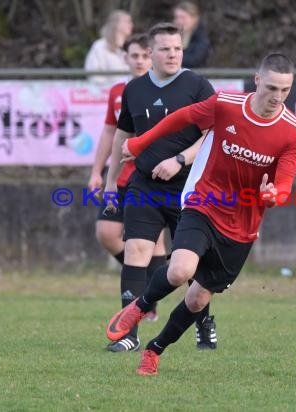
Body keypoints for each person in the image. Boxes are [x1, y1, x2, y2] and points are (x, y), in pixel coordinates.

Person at [106, 53, 296, 375]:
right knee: (179, 271)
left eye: (285, 90)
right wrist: (141, 142)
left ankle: (155, 350)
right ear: (257, 80)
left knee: (198, 299)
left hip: (242, 225)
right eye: (271, 87)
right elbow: (181, 117)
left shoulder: (293, 130)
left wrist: (274, 196)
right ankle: (139, 307)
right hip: (204, 202)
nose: (277, 97)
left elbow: (284, 182)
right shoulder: (226, 103)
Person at [103, 22, 218, 353]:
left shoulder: (197, 85)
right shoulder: (134, 89)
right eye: (165, 49)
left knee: (188, 264)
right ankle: (129, 333)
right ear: (150, 53)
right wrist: (112, 182)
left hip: (189, 186)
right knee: (136, 250)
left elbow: (212, 134)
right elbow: (123, 136)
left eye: (178, 48)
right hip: (144, 186)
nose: (173, 54)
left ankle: (204, 323)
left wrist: (180, 159)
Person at [88, 33, 167, 352]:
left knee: (150, 242)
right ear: (125, 58)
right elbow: (111, 132)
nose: (139, 61)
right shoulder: (119, 92)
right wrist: (98, 171)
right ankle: (144, 286)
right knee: (107, 233)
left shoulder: (162, 90)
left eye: (144, 56)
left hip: (151, 179)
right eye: (133, 56)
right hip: (119, 178)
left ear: (153, 58)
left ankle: (143, 305)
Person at [84, 10, 133, 85]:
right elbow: (93, 73)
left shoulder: (127, 49)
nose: (131, 25)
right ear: (116, 24)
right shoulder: (100, 46)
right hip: (106, 92)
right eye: (127, 21)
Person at [173, 1, 210, 68]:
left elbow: (195, 60)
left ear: (194, 19)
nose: (179, 21)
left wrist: (169, 59)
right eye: (177, 17)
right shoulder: (170, 37)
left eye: (183, 18)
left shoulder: (201, 39)